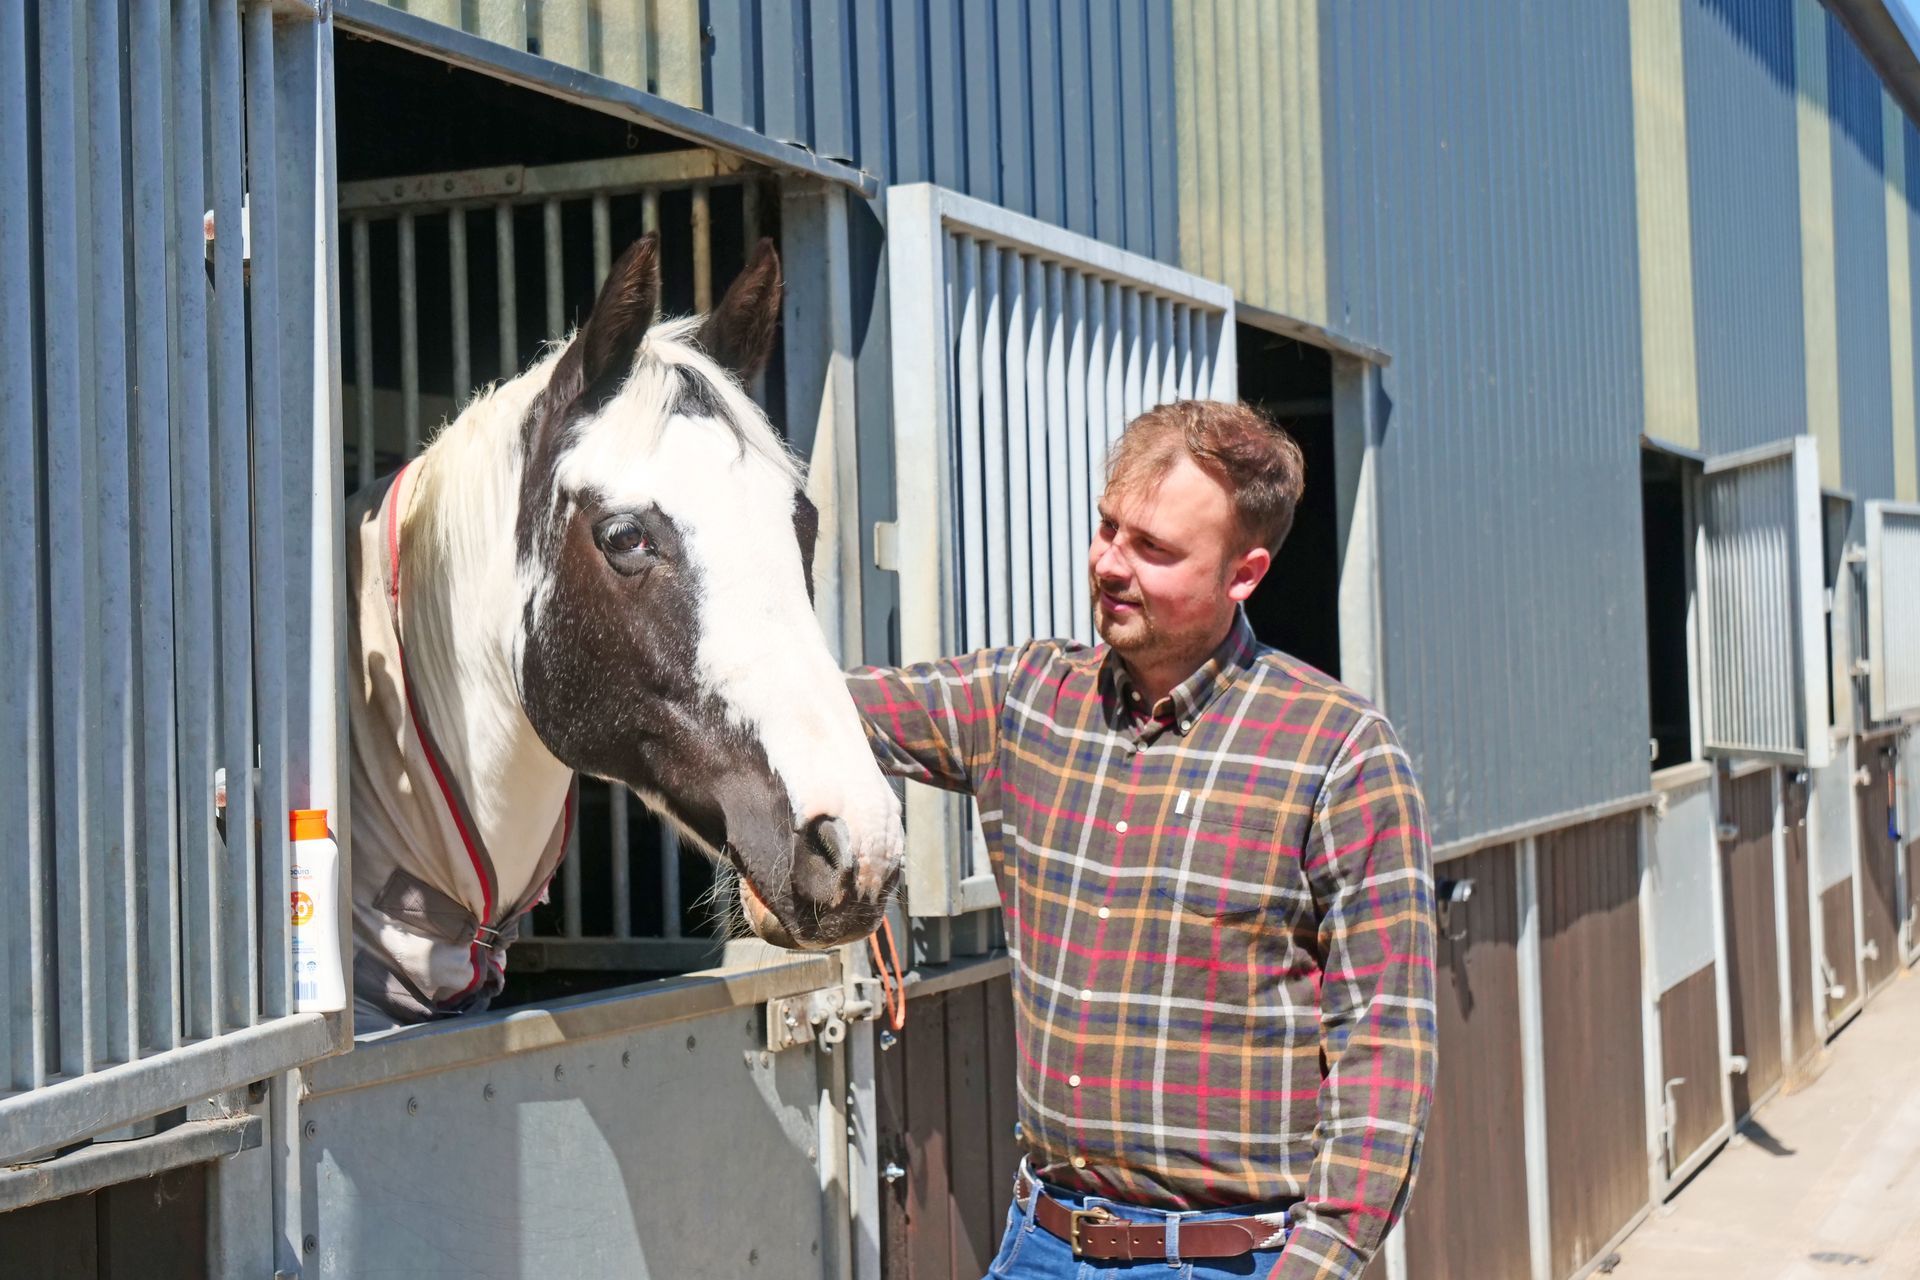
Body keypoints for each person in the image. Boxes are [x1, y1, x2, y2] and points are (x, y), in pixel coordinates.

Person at [849, 400, 1437, 1279]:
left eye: (1153, 549)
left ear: (1245, 573)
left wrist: (1322, 1261)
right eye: (1107, 528)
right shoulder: (1022, 701)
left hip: (1227, 1262)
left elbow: (1384, 1045)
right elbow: (817, 715)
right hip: (1041, 1244)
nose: (1108, 565)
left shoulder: (1340, 752)